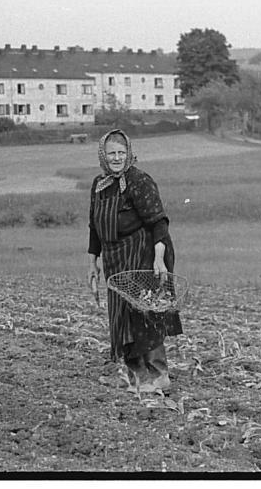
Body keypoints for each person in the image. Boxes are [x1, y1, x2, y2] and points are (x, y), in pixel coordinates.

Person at [87, 129, 183, 392]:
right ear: (103, 156)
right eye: (111, 154)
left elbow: (159, 222)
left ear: (129, 154)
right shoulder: (99, 185)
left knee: (146, 312)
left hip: (143, 254)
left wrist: (160, 260)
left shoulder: (139, 181)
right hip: (116, 259)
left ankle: (159, 374)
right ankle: (138, 376)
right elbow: (94, 228)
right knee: (121, 317)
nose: (117, 158)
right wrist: (92, 263)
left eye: (121, 153)